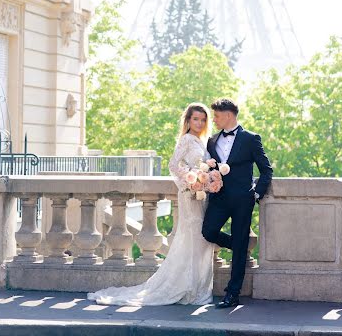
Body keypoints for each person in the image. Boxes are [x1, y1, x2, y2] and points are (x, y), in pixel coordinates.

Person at [88, 102, 215, 305]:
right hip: (189, 194)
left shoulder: (203, 141)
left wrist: (207, 179)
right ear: (188, 120)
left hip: (202, 196)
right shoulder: (186, 140)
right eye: (195, 119)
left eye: (202, 119)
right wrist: (191, 179)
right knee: (192, 237)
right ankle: (188, 288)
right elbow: (173, 165)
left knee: (201, 239)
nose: (199, 123)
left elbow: (205, 166)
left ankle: (199, 287)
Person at [202, 97, 273, 308]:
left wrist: (256, 194)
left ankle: (232, 294)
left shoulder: (251, 138)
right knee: (208, 231)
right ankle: (238, 246)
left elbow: (266, 170)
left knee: (240, 244)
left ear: (228, 115)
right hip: (219, 199)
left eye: (216, 115)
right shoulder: (212, 141)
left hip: (243, 200)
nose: (213, 120)